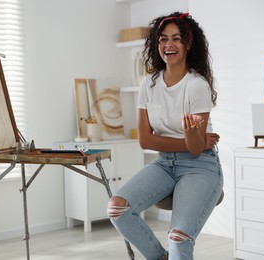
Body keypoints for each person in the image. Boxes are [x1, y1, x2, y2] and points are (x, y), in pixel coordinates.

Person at [107, 12, 223, 260]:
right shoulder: (148, 84)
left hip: (200, 167)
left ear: (188, 44)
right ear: (156, 44)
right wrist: (194, 140)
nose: (168, 45)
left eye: (176, 39)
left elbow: (194, 152)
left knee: (179, 237)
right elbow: (145, 141)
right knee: (117, 208)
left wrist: (196, 142)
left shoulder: (197, 86)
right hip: (163, 163)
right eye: (162, 39)